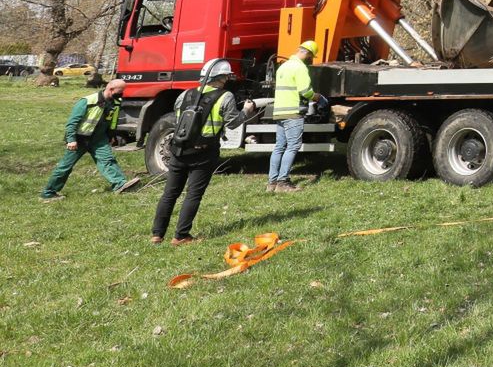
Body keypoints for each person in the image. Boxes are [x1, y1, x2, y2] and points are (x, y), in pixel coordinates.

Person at [151, 59, 245, 245]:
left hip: (179, 149)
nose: (227, 79)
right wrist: (247, 111)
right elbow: (233, 122)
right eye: (226, 76)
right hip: (204, 152)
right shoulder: (225, 97)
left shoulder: (185, 94)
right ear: (221, 78)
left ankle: (157, 234)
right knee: (193, 194)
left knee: (170, 193)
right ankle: (181, 236)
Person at [40, 78, 141, 200]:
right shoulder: (87, 101)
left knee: (108, 160)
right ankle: (48, 193)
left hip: (99, 139)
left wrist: (111, 136)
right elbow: (72, 123)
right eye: (121, 90)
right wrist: (71, 139)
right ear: (111, 89)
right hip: (80, 139)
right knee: (65, 166)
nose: (122, 93)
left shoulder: (115, 102)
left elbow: (111, 121)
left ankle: (120, 185)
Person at [267, 39, 319, 193]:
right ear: (308, 53)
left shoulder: (283, 67)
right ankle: (283, 183)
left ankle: (272, 183)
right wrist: (316, 97)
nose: (311, 60)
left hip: (279, 112)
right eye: (312, 56)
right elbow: (305, 91)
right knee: (293, 146)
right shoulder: (300, 68)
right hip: (293, 113)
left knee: (279, 147)